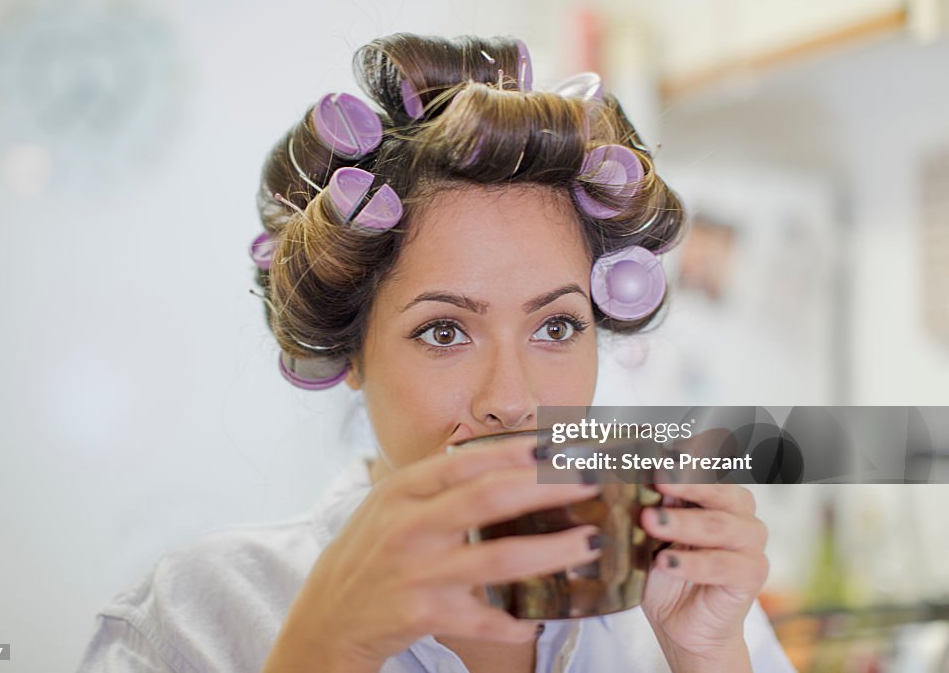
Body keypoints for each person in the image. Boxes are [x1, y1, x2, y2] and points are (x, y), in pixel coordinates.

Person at [77, 33, 796, 673]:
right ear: (352, 349)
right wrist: (324, 650)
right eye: (444, 331)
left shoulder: (673, 611)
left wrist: (704, 655)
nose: (512, 400)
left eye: (556, 327)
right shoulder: (194, 620)